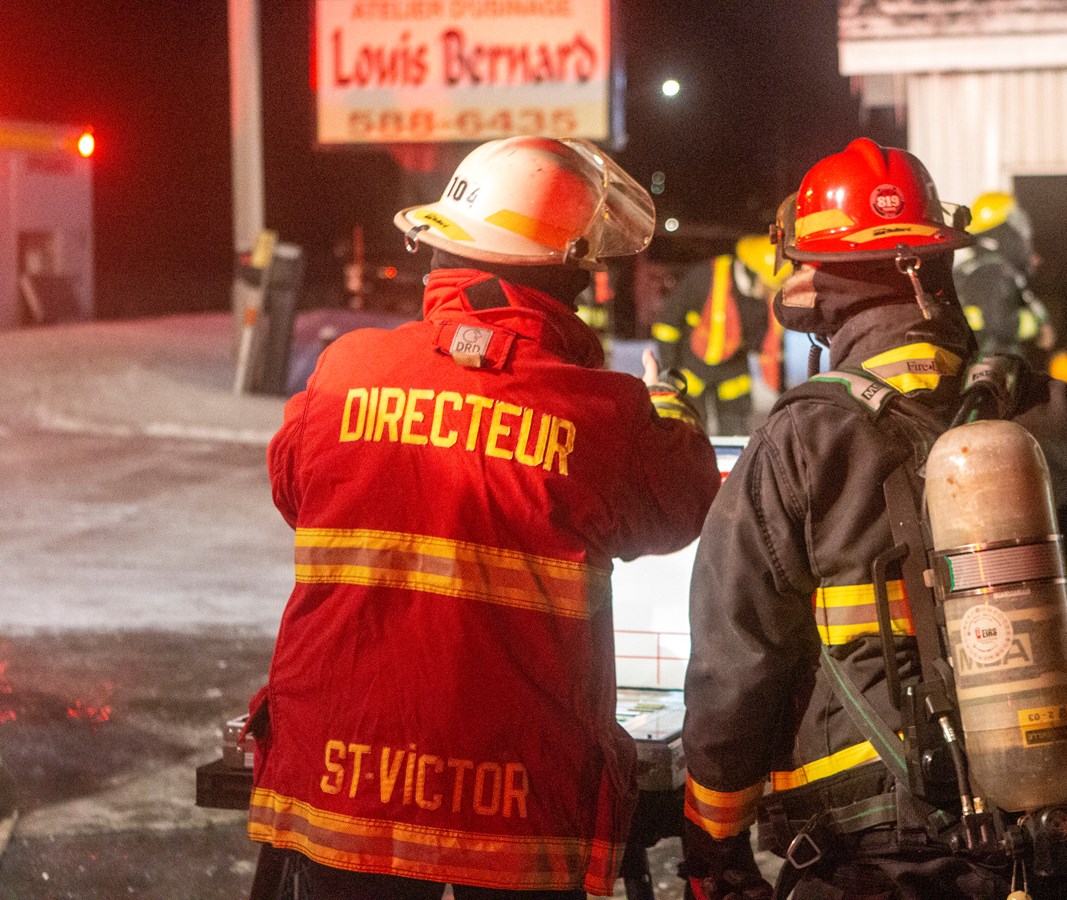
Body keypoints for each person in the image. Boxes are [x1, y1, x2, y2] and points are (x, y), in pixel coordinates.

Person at [680, 139, 1067, 900]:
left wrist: (714, 836)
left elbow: (738, 655)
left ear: (821, 285)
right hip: (1058, 839)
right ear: (941, 265)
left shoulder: (800, 440)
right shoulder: (1054, 415)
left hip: (866, 853)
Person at [245, 135, 722, 900]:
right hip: (512, 805)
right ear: (567, 277)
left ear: (442, 254)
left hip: (343, 785)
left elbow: (293, 490)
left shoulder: (343, 373)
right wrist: (668, 406)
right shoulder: (603, 414)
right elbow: (681, 506)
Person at [649, 235, 786, 434]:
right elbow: (667, 324)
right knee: (689, 432)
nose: (770, 290)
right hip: (691, 367)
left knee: (735, 434)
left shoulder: (765, 297)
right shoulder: (705, 277)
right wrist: (670, 370)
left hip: (733, 372)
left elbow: (764, 344)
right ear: (751, 273)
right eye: (767, 284)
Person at [955, 190, 1055, 366]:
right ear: (1005, 230)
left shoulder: (968, 270)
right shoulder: (994, 273)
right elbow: (1001, 325)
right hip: (993, 372)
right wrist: (1035, 325)